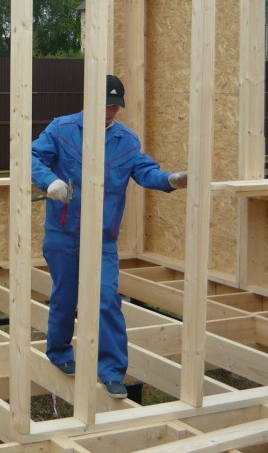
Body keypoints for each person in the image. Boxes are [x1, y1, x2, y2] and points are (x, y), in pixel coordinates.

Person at [31, 74, 187, 398]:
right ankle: (59, 352)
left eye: (116, 106)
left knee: (107, 299)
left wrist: (170, 179)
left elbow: (144, 171)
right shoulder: (61, 129)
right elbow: (31, 157)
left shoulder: (126, 141)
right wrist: (49, 181)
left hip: (103, 238)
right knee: (65, 296)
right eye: (106, 105)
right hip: (64, 233)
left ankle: (112, 370)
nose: (111, 111)